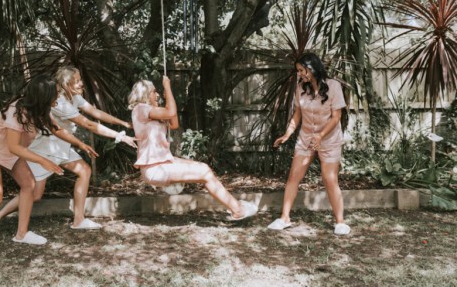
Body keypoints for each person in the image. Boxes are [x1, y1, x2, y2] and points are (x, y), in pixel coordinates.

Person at [0, 74, 97, 257]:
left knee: (29, 185)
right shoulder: (18, 112)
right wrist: (43, 160)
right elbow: (14, 147)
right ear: (44, 96)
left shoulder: (40, 109)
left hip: (9, 152)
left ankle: (21, 235)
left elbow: (55, 129)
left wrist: (80, 144)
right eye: (56, 93)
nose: (59, 96)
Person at [0, 66, 136, 232]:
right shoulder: (59, 102)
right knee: (35, 194)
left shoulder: (74, 98)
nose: (81, 84)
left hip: (61, 145)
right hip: (43, 147)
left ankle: (78, 220)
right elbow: (88, 123)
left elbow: (95, 112)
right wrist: (120, 136)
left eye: (80, 80)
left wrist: (123, 124)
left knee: (84, 170)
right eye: (76, 81)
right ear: (65, 84)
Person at [128, 75, 258, 220]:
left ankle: (236, 207)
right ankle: (238, 210)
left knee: (205, 168)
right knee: (204, 172)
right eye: (154, 91)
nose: (157, 94)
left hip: (163, 163)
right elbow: (171, 112)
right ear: (144, 94)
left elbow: (174, 123)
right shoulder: (140, 109)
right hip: (154, 168)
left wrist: (169, 96)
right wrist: (168, 88)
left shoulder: (152, 112)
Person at [268, 52, 350, 235]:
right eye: (298, 71)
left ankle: (340, 222)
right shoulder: (300, 88)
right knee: (293, 177)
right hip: (306, 138)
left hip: (328, 140)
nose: (300, 74)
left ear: (312, 68)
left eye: (301, 70)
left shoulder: (333, 86)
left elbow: (336, 117)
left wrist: (320, 136)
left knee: (329, 179)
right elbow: (297, 114)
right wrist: (287, 134)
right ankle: (284, 218)